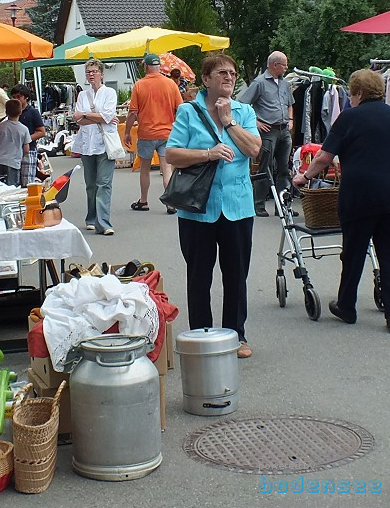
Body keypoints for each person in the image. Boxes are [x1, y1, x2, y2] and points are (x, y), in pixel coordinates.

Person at [291, 69, 390, 334]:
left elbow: (324, 157)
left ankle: (346, 305)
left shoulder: (349, 117)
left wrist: (304, 176)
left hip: (362, 193)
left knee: (354, 251)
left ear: (357, 93)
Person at [166, 53, 261, 358]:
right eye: (221, 73)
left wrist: (228, 122)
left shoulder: (244, 112)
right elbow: (172, 155)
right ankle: (202, 336)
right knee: (199, 275)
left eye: (232, 73)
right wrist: (208, 153)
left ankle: (236, 336)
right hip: (197, 208)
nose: (229, 77)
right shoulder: (188, 112)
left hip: (237, 205)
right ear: (205, 79)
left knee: (236, 274)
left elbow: (254, 149)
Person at [124, 52, 182, 214]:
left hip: (146, 133)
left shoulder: (139, 85)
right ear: (159, 67)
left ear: (146, 67)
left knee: (144, 169)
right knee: (167, 169)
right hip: (167, 134)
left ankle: (143, 201)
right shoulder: (171, 84)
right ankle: (170, 203)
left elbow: (132, 113)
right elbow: (181, 109)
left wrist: (127, 131)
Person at [240, 51, 294, 217]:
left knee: (284, 168)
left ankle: (282, 206)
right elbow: (243, 103)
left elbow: (290, 103)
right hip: (268, 131)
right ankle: (259, 205)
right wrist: (255, 122)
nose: (286, 68)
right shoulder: (260, 83)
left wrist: (290, 119)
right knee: (266, 167)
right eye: (284, 65)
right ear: (274, 65)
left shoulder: (285, 83)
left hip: (284, 130)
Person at [72, 59, 118, 235]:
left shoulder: (109, 93)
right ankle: (91, 218)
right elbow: (77, 119)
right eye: (88, 72)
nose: (91, 74)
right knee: (91, 185)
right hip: (86, 143)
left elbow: (107, 116)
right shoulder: (83, 95)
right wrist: (94, 117)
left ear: (101, 74)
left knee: (104, 183)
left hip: (105, 143)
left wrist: (85, 114)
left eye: (94, 71)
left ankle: (103, 222)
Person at [12, 84, 46, 183]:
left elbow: (41, 132)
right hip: (14, 151)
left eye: (19, 97)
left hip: (29, 150)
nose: (16, 99)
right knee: (15, 181)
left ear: (26, 97)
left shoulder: (32, 112)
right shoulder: (12, 112)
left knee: (27, 182)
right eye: (14, 97)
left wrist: (26, 139)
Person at [0, 98, 30, 185]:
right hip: (13, 162)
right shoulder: (24, 129)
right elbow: (26, 149)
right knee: (12, 188)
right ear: (20, 112)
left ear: (6, 112)